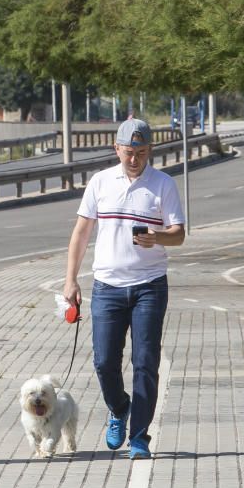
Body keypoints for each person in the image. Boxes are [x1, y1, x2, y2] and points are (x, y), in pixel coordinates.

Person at [63, 119, 185, 460]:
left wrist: (156, 237)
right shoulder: (101, 182)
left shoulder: (163, 185)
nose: (135, 159)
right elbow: (81, 233)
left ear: (150, 152)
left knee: (146, 362)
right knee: (104, 362)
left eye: (142, 153)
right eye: (129, 152)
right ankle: (119, 408)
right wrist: (70, 279)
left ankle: (140, 437)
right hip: (106, 287)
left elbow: (179, 234)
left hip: (149, 286)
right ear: (117, 150)